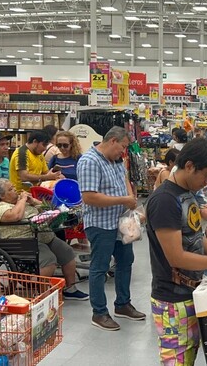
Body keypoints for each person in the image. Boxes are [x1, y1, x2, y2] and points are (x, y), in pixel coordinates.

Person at [146, 138, 207, 365]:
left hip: (192, 291)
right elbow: (176, 256)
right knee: (178, 359)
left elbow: (195, 238)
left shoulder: (186, 193)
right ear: (190, 166)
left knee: (190, 352)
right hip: (172, 299)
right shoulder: (164, 200)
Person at [78, 126, 145, 331]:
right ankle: (99, 312)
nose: (123, 152)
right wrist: (123, 199)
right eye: (123, 147)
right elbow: (89, 197)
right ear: (113, 140)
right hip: (101, 224)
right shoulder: (89, 161)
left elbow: (124, 178)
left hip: (122, 221)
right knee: (100, 267)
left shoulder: (115, 160)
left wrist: (131, 199)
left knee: (126, 261)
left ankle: (122, 304)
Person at [0, 178, 89, 299]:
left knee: (67, 252)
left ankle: (70, 289)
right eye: (11, 189)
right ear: (2, 196)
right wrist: (23, 199)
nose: (15, 190)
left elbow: (48, 210)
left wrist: (33, 201)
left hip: (43, 235)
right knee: (49, 259)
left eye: (14, 187)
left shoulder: (23, 202)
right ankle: (42, 294)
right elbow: (15, 216)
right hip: (22, 241)